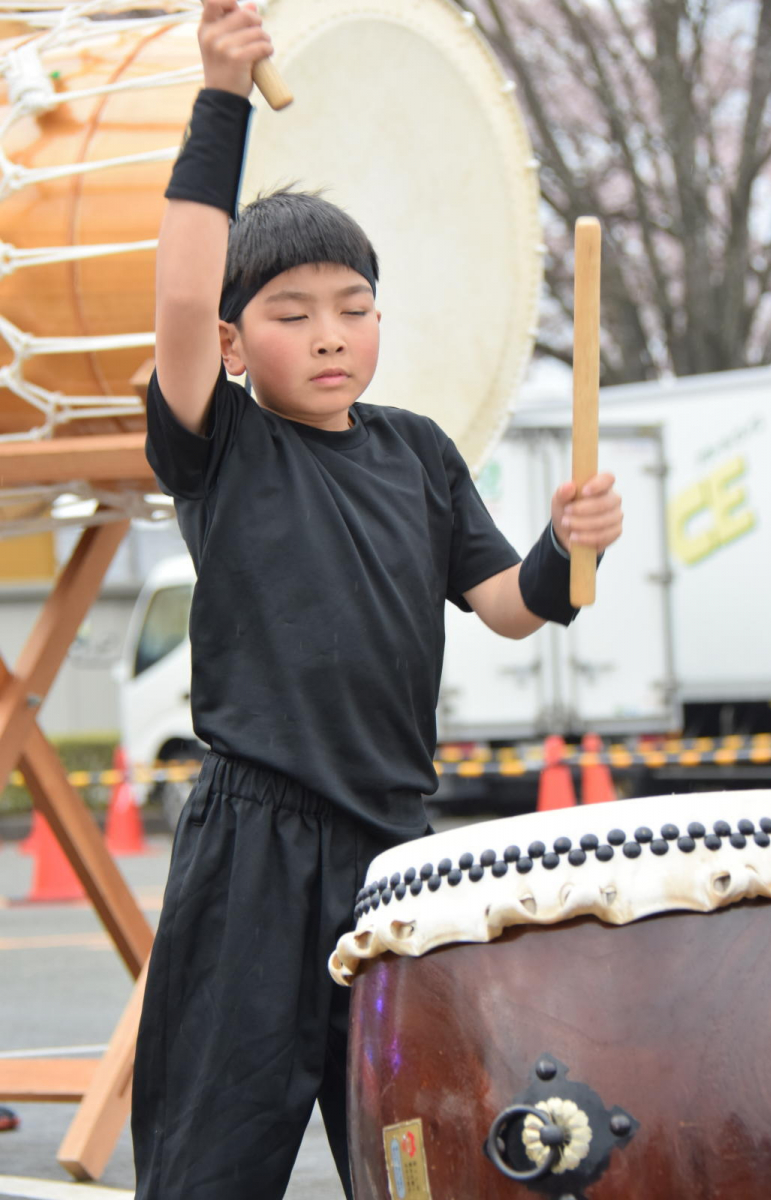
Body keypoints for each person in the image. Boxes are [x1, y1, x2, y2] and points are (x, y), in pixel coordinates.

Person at [130, 2, 623, 1198]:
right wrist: (219, 96)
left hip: (395, 853)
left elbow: (506, 603)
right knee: (214, 1158)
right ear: (240, 346)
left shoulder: (416, 453)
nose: (331, 333)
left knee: (416, 1154)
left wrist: (564, 551)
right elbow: (184, 303)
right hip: (255, 843)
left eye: (353, 306)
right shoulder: (225, 447)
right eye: (293, 315)